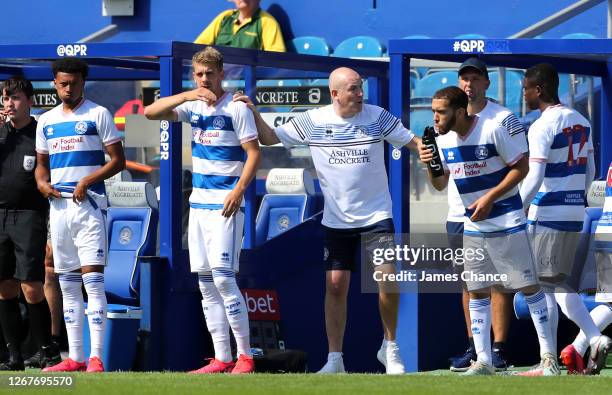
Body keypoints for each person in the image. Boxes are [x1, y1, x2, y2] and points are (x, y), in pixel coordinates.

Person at [234, 66, 420, 374]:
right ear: (335, 93)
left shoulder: (377, 116)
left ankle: (390, 348)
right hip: (336, 221)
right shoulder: (313, 120)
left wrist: (434, 150)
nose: (360, 94)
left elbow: (413, 142)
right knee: (335, 285)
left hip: (377, 215)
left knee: (386, 277)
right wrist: (253, 111)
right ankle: (335, 359)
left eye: (361, 88)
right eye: (353, 89)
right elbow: (268, 138)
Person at [419, 86, 557, 376]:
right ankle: (483, 361)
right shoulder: (441, 141)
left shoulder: (493, 129)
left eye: (441, 112)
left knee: (528, 287)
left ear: (459, 111)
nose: (435, 117)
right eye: (433, 111)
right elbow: (440, 184)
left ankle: (548, 358)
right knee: (477, 292)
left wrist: (491, 196)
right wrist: (429, 165)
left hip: (507, 222)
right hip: (473, 226)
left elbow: (521, 167)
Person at [144, 47, 260, 374]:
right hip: (198, 205)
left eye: (210, 73)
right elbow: (150, 112)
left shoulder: (236, 108)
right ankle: (222, 358)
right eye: (199, 74)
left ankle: (246, 356)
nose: (205, 79)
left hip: (224, 205)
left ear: (221, 74)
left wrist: (239, 190)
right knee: (206, 283)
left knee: (224, 280)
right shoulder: (192, 105)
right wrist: (186, 94)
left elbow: (254, 153)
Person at [519, 63, 612, 374]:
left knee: (545, 288)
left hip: (548, 212)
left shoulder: (542, 125)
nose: (524, 94)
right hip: (574, 212)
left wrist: (516, 208)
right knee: (558, 287)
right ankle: (588, 342)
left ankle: (556, 358)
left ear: (540, 89)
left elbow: (534, 176)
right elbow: (590, 173)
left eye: (526, 88)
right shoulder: (581, 120)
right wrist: (575, 199)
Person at [35, 57, 126, 372]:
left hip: (89, 207)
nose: (68, 88)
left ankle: (96, 357)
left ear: (83, 82)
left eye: (73, 83)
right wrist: (41, 183)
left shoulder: (98, 114)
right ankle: (73, 357)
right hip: (58, 210)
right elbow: (41, 165)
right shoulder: (45, 120)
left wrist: (87, 181)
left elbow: (118, 160)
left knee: (93, 281)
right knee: (68, 283)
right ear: (55, 83)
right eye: (62, 83)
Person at [448, 58, 527, 372]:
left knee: (499, 283)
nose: (469, 84)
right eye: (464, 78)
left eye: (475, 79)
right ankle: (474, 349)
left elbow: (521, 166)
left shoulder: (503, 118)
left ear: (487, 83)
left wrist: (499, 201)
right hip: (458, 214)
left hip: (499, 215)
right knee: (468, 284)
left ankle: (498, 349)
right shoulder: (449, 118)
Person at [0, 76, 60, 370]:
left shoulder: (40, 133)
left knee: (32, 288)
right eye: (6, 98)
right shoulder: (0, 133)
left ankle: (48, 350)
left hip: (30, 215)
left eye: (16, 98)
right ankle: (13, 358)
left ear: (30, 101)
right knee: (5, 288)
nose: (9, 104)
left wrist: (49, 230)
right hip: (0, 216)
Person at [194, 0, 286, 52]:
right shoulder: (225, 17)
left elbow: (276, 57)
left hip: (245, 78)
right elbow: (198, 46)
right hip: (216, 73)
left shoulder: (267, 22)